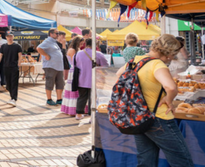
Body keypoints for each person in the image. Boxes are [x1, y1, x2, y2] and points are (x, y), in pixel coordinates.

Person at [115, 34, 194, 167]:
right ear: (169, 53)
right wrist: (169, 98)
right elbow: (171, 86)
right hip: (159, 117)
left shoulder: (136, 60)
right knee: (181, 160)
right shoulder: (157, 64)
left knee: (146, 161)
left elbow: (118, 74)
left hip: (138, 116)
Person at [74, 38, 109, 120]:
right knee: (93, 98)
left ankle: (78, 114)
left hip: (81, 79)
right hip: (94, 80)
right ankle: (91, 116)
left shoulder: (78, 53)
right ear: (95, 45)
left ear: (86, 44)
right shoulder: (98, 54)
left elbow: (75, 64)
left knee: (81, 97)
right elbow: (105, 66)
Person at [36, 28, 64, 106]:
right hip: (51, 66)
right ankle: (49, 99)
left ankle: (59, 99)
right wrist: (46, 55)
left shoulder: (54, 42)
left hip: (58, 66)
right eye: (56, 33)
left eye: (58, 33)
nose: (58, 35)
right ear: (51, 34)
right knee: (50, 82)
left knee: (60, 83)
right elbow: (39, 48)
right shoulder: (47, 41)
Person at [0, 32, 22, 106]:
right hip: (6, 67)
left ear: (13, 37)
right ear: (6, 37)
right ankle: (12, 97)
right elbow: (0, 56)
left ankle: (14, 99)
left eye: (11, 36)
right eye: (8, 36)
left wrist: (19, 63)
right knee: (8, 84)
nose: (10, 38)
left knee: (14, 83)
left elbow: (20, 56)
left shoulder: (17, 46)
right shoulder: (3, 46)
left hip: (14, 67)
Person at [61, 36, 85, 116]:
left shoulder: (75, 49)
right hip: (74, 70)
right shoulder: (73, 50)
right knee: (73, 89)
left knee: (73, 89)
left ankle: (73, 109)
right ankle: (73, 110)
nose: (81, 45)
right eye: (81, 43)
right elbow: (76, 61)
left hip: (74, 70)